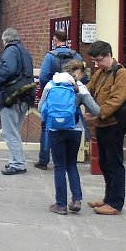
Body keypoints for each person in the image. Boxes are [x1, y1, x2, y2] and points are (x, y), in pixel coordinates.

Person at [39, 58, 100, 214]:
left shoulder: (51, 84)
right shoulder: (79, 87)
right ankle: (77, 199)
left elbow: (41, 107)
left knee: (59, 167)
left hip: (55, 130)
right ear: (77, 72)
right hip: (75, 129)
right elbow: (95, 110)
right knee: (71, 164)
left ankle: (60, 205)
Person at [85, 39, 126, 214]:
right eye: (94, 61)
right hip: (102, 124)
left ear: (109, 55)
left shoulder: (122, 74)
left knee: (114, 163)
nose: (96, 64)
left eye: (99, 60)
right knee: (104, 162)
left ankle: (115, 203)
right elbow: (88, 89)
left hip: (114, 124)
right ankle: (107, 198)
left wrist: (98, 114)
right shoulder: (101, 72)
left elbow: (116, 100)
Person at [33, 29, 82, 170]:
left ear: (54, 39)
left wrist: (50, 89)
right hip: (71, 98)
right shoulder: (76, 55)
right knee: (71, 125)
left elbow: (42, 77)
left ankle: (44, 161)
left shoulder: (50, 56)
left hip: (53, 98)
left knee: (47, 127)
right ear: (67, 39)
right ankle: (69, 159)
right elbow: (83, 76)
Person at [0, 28, 34, 175]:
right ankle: (16, 160)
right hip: (24, 96)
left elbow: (8, 71)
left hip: (10, 97)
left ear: (6, 40)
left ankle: (18, 164)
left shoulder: (9, 51)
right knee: (15, 132)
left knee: (10, 133)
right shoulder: (25, 51)